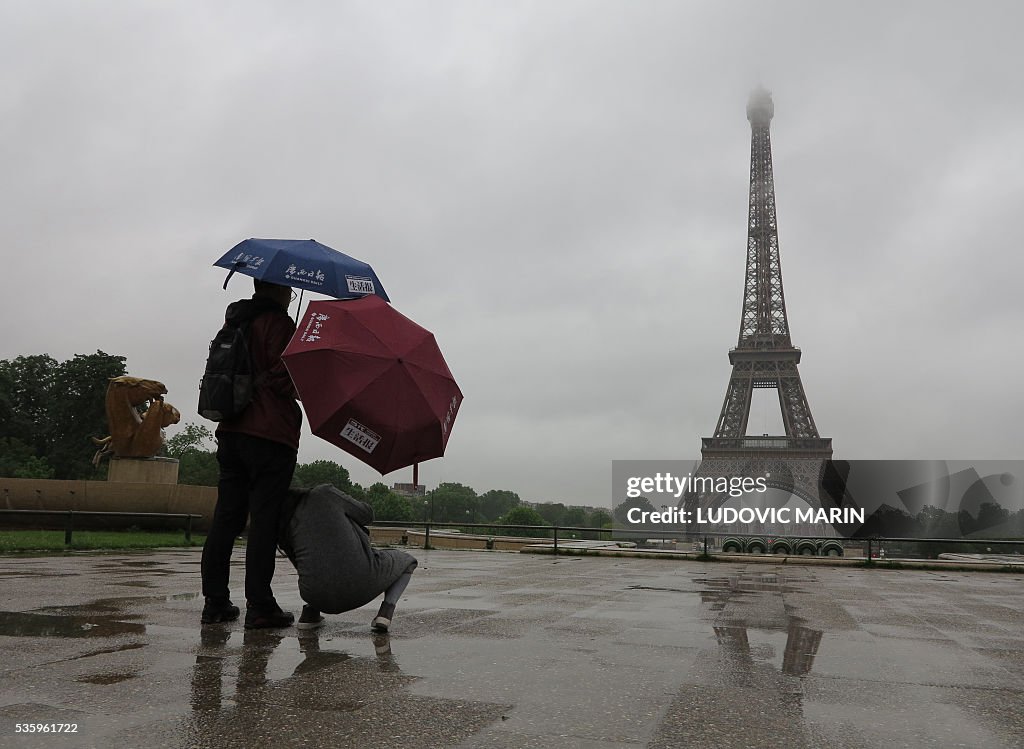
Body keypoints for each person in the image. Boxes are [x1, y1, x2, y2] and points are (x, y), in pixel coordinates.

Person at [201, 280, 302, 629]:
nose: (290, 293)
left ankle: (215, 603)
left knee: (226, 519)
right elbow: (288, 380)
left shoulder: (234, 321)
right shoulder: (279, 324)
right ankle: (260, 605)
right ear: (277, 290)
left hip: (231, 428)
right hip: (271, 434)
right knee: (263, 522)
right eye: (286, 288)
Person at [278, 483, 418, 632]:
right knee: (408, 562)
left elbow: (301, 566)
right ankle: (386, 612)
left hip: (315, 596)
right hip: (361, 586)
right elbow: (367, 514)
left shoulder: (282, 524)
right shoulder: (325, 493)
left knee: (311, 559)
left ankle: (310, 614)